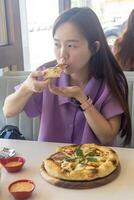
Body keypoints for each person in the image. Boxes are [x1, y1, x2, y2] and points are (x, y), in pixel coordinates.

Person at [3, 7, 131, 146]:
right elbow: (8, 111)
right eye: (57, 44)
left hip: (93, 165)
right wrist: (27, 87)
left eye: (71, 45)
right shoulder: (46, 75)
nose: (62, 54)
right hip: (50, 163)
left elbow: (107, 137)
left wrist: (82, 99)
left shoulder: (112, 81)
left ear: (94, 47)